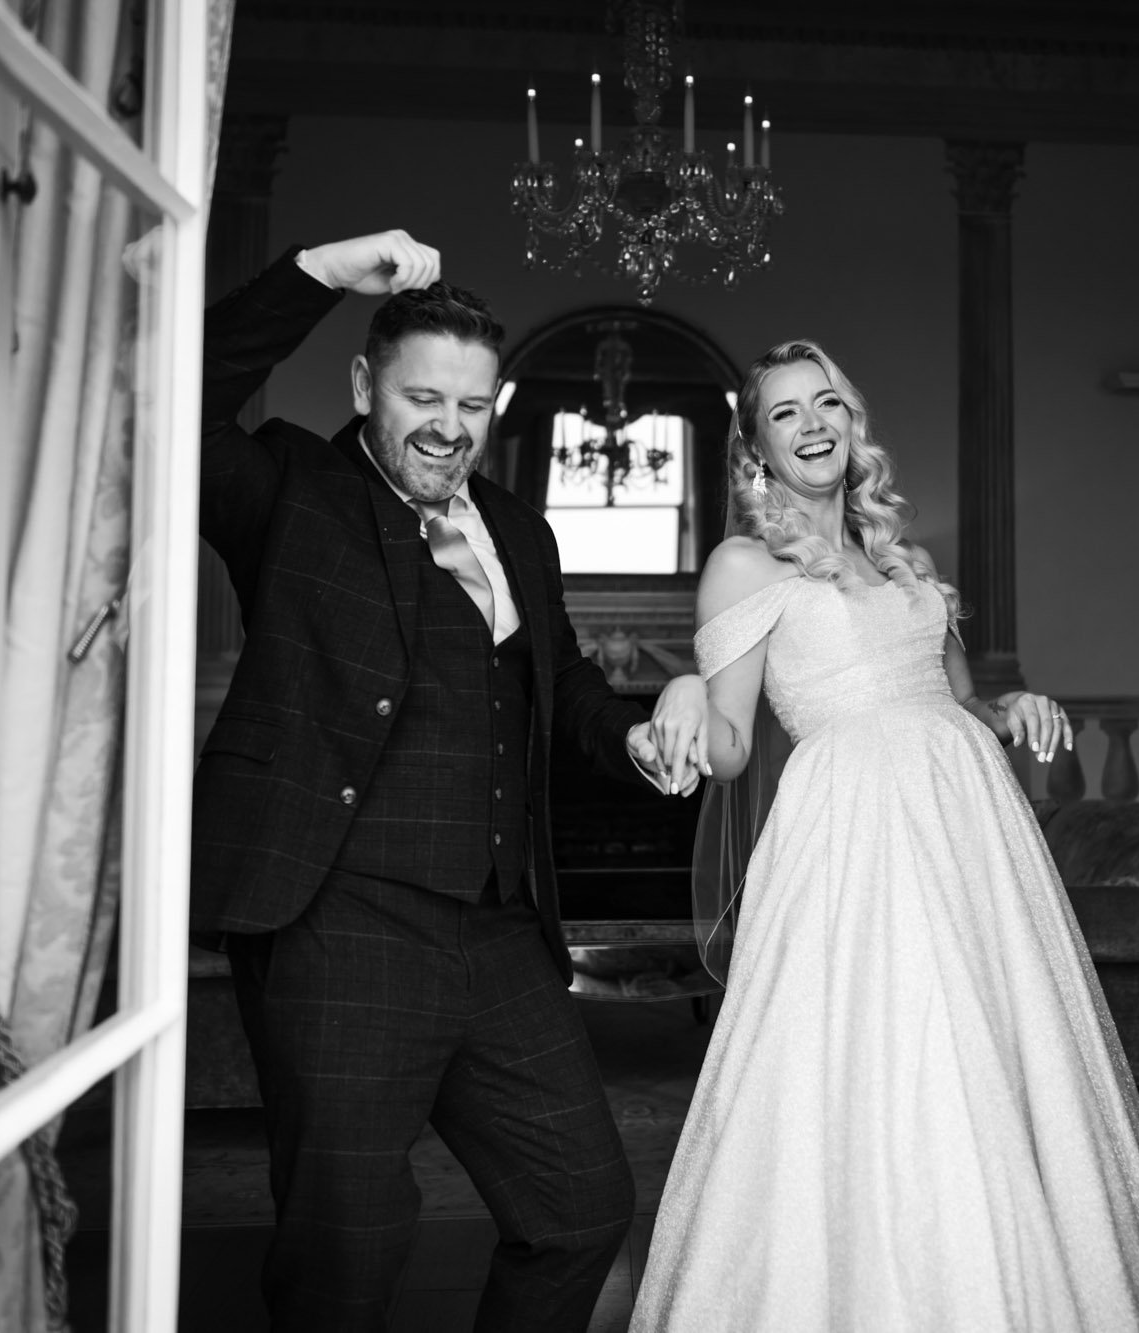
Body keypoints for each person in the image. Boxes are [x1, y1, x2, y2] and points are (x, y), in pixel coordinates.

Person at [629, 340, 1139, 1330]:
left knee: (990, 1045)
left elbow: (956, 701)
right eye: (784, 413)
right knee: (875, 1045)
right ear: (754, 448)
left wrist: (1012, 707)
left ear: (851, 421)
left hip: (966, 819)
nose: (812, 424)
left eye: (825, 402)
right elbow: (733, 746)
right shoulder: (743, 565)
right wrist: (687, 693)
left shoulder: (908, 560)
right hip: (850, 832)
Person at [194, 229, 706, 1332]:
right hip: (338, 915)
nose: (447, 426)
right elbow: (170, 401)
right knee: (347, 1249)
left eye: (472, 405)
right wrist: (316, 276)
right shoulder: (290, 488)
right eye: (422, 395)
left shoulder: (518, 526)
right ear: (363, 384)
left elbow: (557, 680)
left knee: (580, 1207)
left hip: (495, 931)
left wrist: (632, 737)